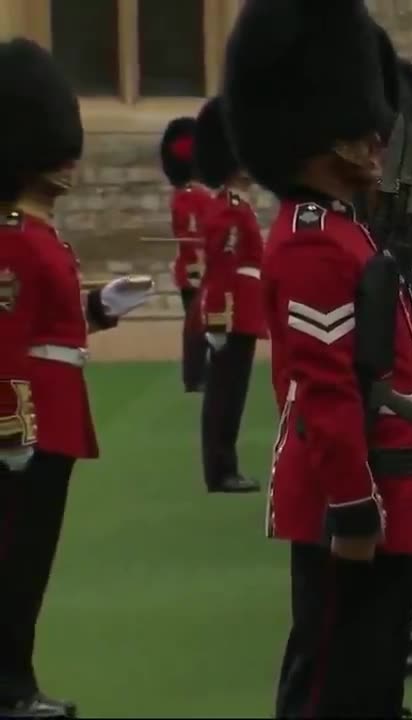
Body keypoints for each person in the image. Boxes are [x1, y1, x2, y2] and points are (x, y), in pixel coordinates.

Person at [222, 1, 412, 715]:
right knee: (331, 680)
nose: (378, 142)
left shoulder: (345, 230)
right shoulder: (316, 238)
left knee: (371, 674)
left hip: (392, 479)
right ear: (321, 138)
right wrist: (353, 509)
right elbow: (325, 388)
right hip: (357, 490)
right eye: (362, 131)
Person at [0, 37, 153, 718]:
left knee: (29, 567)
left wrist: (100, 306)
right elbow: (5, 343)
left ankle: (17, 680)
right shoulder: (10, 236)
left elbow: (47, 330)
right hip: (28, 425)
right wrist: (11, 428)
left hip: (56, 418)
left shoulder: (39, 230)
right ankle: (9, 689)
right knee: (13, 567)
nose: (70, 161)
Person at [193, 96, 264, 495]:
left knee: (231, 394)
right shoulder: (229, 209)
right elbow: (221, 269)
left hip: (243, 309)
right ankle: (221, 470)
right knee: (224, 395)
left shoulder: (237, 207)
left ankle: (224, 465)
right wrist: (218, 319)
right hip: (232, 312)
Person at [159, 116, 212, 393]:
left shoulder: (182, 194)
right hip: (197, 268)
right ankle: (195, 376)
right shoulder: (196, 196)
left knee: (199, 324)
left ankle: (197, 374)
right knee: (198, 326)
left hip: (191, 267)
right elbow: (195, 235)